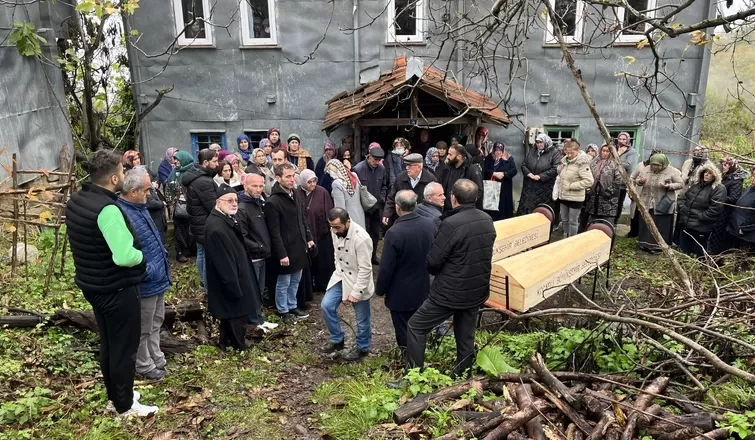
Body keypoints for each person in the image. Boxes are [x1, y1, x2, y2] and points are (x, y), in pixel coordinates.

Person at [65, 150, 158, 417]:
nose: (125, 174)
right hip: (116, 288)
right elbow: (125, 256)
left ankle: (118, 393)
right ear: (115, 177)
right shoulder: (108, 210)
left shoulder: (78, 199)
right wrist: (142, 257)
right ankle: (125, 406)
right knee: (124, 348)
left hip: (94, 284)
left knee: (109, 343)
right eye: (123, 170)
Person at [405, 179, 495, 378]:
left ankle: (413, 378)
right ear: (476, 198)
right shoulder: (486, 220)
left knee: (416, 326)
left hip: (450, 293)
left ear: (453, 198)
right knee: (465, 335)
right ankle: (463, 375)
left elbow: (433, 263)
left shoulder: (451, 224)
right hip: (476, 290)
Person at [117, 166, 171, 381]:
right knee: (144, 326)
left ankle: (156, 357)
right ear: (133, 192)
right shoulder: (124, 214)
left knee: (156, 320)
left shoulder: (140, 208)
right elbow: (127, 252)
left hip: (157, 278)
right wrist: (148, 271)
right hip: (146, 281)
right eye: (146, 190)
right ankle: (144, 364)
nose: (149, 194)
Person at [375, 191, 435, 350]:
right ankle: (421, 355)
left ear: (397, 207)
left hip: (400, 293)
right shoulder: (429, 225)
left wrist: (380, 290)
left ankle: (409, 361)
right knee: (420, 327)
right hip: (423, 288)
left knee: (403, 330)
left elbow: (386, 267)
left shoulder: (394, 233)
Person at [204, 185, 258, 350]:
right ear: (218, 202)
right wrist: (234, 286)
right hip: (230, 280)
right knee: (235, 313)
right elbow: (224, 263)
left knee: (232, 314)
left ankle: (225, 342)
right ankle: (238, 346)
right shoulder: (217, 227)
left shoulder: (225, 218)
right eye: (230, 200)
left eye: (236, 200)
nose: (234, 203)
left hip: (237, 274)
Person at [320, 208, 374, 361]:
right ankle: (337, 340)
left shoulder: (361, 238)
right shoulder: (335, 231)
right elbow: (337, 255)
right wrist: (338, 271)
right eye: (332, 226)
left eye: (338, 227)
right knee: (326, 305)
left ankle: (363, 347)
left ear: (347, 222)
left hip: (359, 280)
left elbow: (365, 269)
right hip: (341, 275)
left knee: (362, 319)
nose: (335, 230)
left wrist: (355, 293)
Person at [265, 162, 315, 323]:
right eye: (288, 176)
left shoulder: (295, 194)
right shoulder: (273, 202)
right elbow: (274, 232)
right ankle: (282, 309)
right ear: (278, 178)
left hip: (299, 245)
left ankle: (292, 305)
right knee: (284, 281)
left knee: (296, 279)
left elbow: (302, 219)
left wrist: (308, 238)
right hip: (285, 248)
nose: (292, 179)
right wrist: (281, 254)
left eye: (293, 176)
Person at [236, 174, 276, 331]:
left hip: (262, 255)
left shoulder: (259, 203)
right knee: (253, 291)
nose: (259, 189)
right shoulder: (243, 208)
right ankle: (254, 322)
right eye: (255, 186)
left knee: (259, 290)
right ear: (246, 186)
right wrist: (259, 247)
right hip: (253, 257)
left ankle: (259, 319)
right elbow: (242, 236)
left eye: (261, 186)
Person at [182, 148, 219, 289]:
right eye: (214, 161)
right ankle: (207, 286)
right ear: (205, 162)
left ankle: (205, 283)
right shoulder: (203, 181)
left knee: (201, 253)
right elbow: (213, 206)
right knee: (206, 256)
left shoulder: (195, 176)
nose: (217, 164)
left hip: (198, 223)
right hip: (205, 224)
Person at [633, 153, 683, 253]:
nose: (655, 167)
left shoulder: (672, 171)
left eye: (658, 165)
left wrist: (669, 186)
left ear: (663, 164)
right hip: (646, 201)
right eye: (653, 165)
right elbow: (637, 179)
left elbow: (681, 183)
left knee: (660, 224)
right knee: (645, 222)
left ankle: (658, 246)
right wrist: (640, 181)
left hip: (663, 203)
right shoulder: (646, 169)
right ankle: (644, 244)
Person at [677, 163, 727, 257]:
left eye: (710, 173)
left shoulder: (719, 189)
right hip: (686, 223)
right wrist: (683, 208)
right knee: (684, 252)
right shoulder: (696, 185)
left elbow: (715, 210)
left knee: (698, 254)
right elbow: (684, 197)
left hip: (700, 227)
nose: (706, 174)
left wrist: (700, 216)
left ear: (715, 175)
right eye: (705, 172)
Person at [298, 169, 335, 291]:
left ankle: (323, 284)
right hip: (305, 233)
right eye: (309, 182)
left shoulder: (322, 192)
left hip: (321, 232)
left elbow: (329, 210)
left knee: (323, 259)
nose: (313, 184)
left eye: (314, 181)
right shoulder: (297, 192)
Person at [353, 144, 388, 264]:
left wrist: (381, 198)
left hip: (377, 207)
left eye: (378, 160)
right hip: (363, 208)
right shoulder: (358, 169)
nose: (376, 162)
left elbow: (384, 185)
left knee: (375, 233)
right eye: (374, 159)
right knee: (363, 234)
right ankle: (362, 258)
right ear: (369, 157)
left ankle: (372, 256)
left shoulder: (382, 169)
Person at [554, 140, 594, 237]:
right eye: (567, 153)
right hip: (563, 196)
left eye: (572, 153)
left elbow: (589, 181)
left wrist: (571, 186)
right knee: (564, 219)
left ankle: (572, 240)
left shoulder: (582, 163)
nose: (569, 155)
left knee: (573, 221)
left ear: (577, 151)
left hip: (575, 198)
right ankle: (565, 236)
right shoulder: (565, 161)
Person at [383, 153, 437, 225]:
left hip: (422, 220)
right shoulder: (400, 178)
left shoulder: (430, 180)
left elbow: (435, 202)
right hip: (403, 218)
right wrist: (387, 213)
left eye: (409, 165)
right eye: (406, 165)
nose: (406, 168)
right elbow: (392, 197)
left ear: (419, 167)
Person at [709, 157, 748, 254]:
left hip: (725, 213)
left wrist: (719, 198)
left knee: (718, 236)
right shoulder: (725, 176)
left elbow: (734, 198)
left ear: (732, 166)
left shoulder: (736, 180)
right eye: (723, 164)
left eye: (726, 165)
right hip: (718, 210)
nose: (724, 166)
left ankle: (715, 257)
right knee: (713, 234)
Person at [517, 133, 562, 215]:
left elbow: (556, 168)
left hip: (544, 187)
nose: (539, 144)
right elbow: (524, 164)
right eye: (537, 142)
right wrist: (528, 173)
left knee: (540, 210)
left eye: (541, 142)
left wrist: (540, 176)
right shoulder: (532, 152)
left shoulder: (554, 153)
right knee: (526, 208)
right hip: (529, 186)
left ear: (546, 142)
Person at [582, 144, 622, 230]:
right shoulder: (594, 162)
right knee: (594, 220)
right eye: (603, 151)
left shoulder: (615, 163)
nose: (605, 153)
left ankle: (608, 235)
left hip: (608, 197)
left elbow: (618, 179)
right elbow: (587, 175)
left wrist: (609, 191)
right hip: (594, 196)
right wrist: (589, 189)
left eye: (607, 151)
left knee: (607, 221)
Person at [166, 151, 194, 263]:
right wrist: (170, 203)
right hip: (177, 207)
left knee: (191, 229)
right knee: (179, 230)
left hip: (191, 206)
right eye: (174, 159)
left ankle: (189, 249)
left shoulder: (192, 172)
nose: (176, 161)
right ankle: (180, 251)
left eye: (178, 159)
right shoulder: (173, 173)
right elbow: (168, 188)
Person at [628, 149, 661, 238]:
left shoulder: (661, 168)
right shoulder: (641, 166)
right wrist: (631, 190)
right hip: (639, 192)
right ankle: (633, 232)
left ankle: (643, 234)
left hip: (651, 195)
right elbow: (631, 178)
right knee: (635, 213)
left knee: (647, 214)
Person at [440, 145, 484, 211]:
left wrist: (467, 205)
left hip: (464, 210)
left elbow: (479, 191)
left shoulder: (472, 170)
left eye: (450, 154)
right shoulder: (448, 167)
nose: (447, 157)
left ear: (459, 157)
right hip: (447, 209)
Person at [325, 159, 365, 228]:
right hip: (360, 215)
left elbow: (340, 208)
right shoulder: (353, 176)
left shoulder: (336, 183)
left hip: (348, 219)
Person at [483, 141, 518, 221]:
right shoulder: (489, 158)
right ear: (493, 150)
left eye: (500, 150)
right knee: (492, 207)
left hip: (504, 187)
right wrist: (494, 173)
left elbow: (514, 171)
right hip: (492, 187)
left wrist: (504, 175)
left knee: (503, 207)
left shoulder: (508, 158)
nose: (498, 152)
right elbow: (484, 170)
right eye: (496, 150)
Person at [727, 166, 755, 253]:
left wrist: (744, 229)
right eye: (753, 175)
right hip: (735, 230)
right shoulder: (751, 188)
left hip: (747, 237)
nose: (753, 178)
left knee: (742, 261)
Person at [614, 132, 638, 225]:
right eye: (620, 139)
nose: (622, 141)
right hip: (612, 180)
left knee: (619, 203)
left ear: (628, 140)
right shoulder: (615, 149)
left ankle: (615, 222)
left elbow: (628, 165)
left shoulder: (631, 151)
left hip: (622, 181)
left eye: (624, 139)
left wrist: (617, 158)